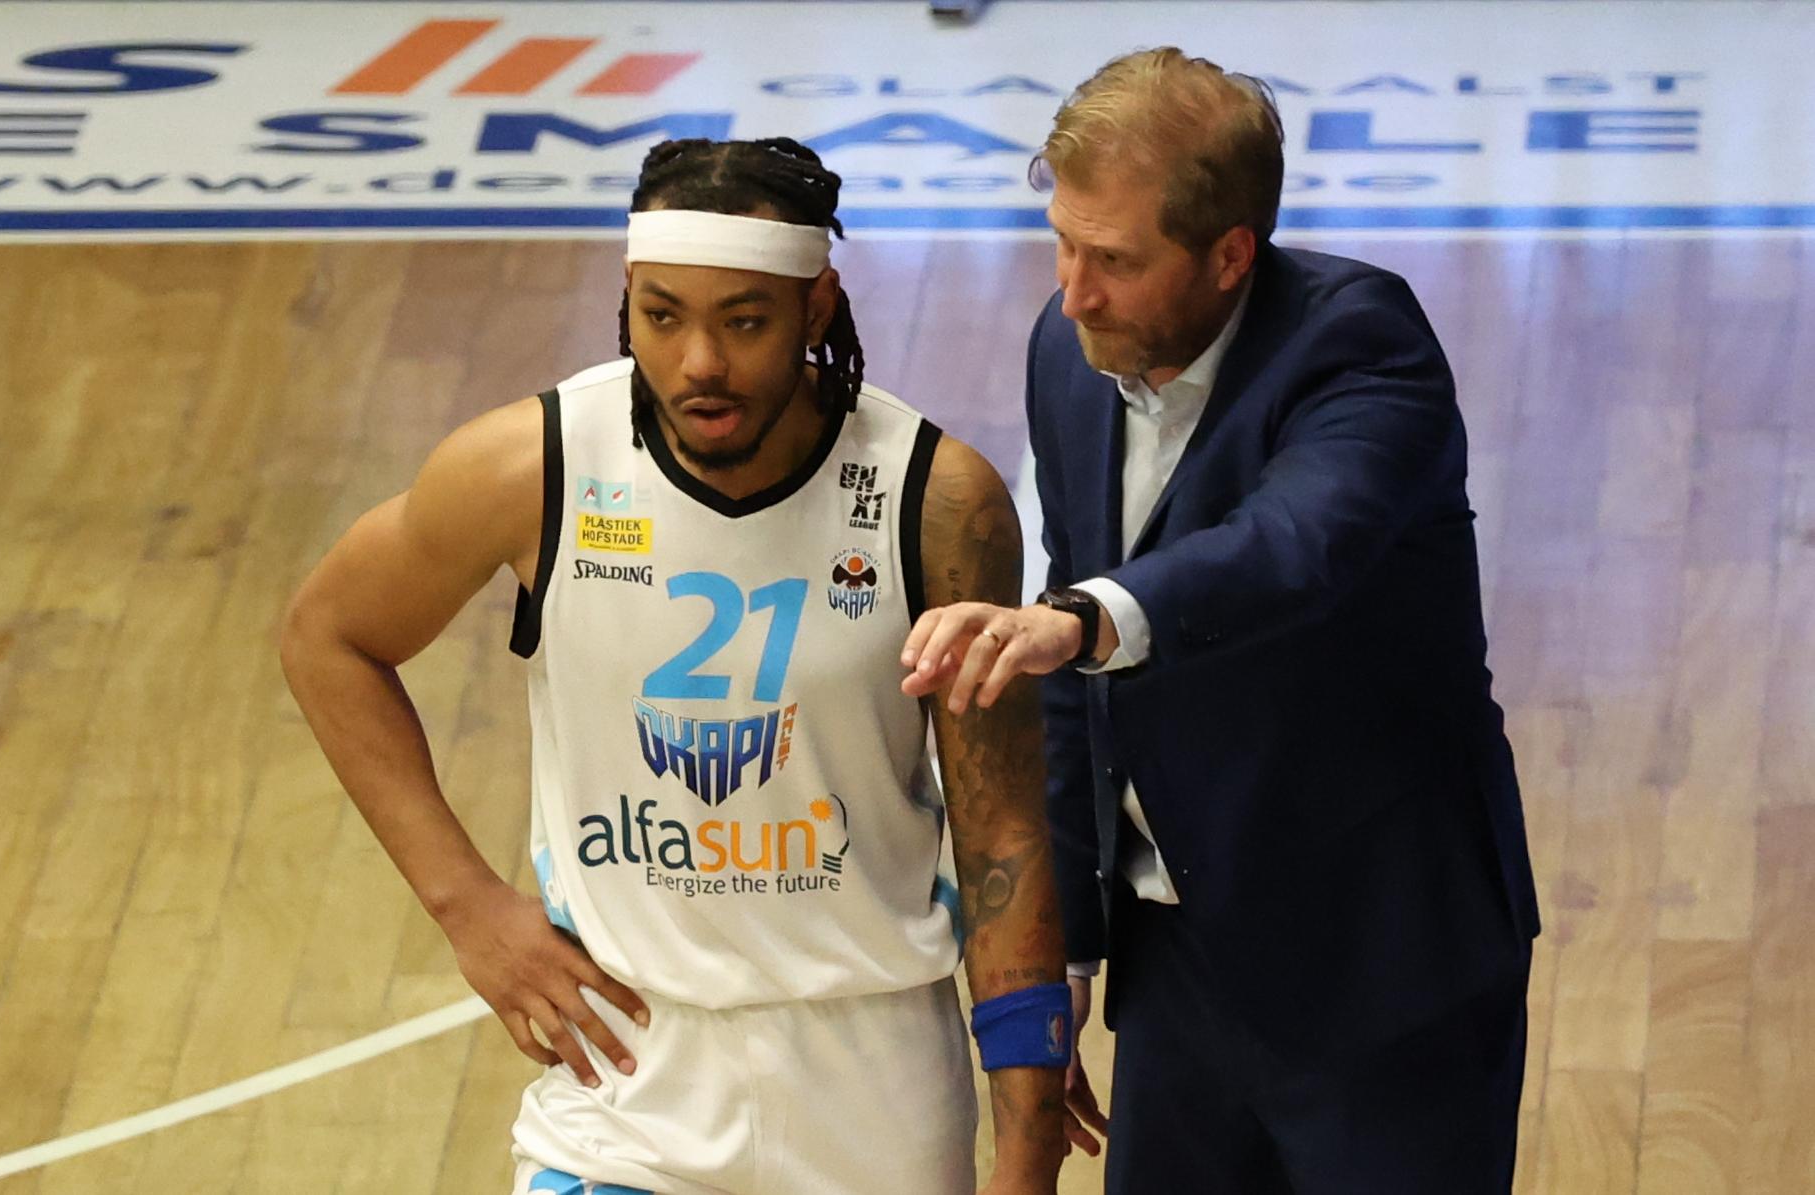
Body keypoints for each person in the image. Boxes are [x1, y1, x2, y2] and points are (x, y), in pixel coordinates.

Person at [281, 137, 1071, 1195]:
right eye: (662, 316)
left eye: (743, 322)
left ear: (817, 306)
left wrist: (1027, 1153)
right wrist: (468, 906)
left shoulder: (935, 501)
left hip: (875, 1081)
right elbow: (328, 636)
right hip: (625, 1080)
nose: (699, 362)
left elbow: (1002, 830)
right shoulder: (532, 468)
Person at [901, 49, 1541, 1194]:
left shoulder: (1362, 344)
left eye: (1113, 260)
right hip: (1177, 965)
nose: (1074, 291)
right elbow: (1072, 681)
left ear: (1231, 254)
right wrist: (1065, 951)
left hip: (1381, 968)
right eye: (1062, 244)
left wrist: (1085, 619)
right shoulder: (1069, 350)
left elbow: (1294, 545)